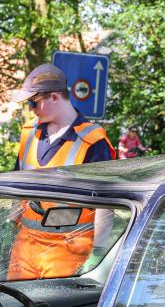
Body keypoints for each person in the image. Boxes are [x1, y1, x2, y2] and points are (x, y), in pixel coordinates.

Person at [8, 64, 115, 281]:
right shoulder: (28, 134)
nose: (31, 109)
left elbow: (105, 203)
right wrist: (10, 225)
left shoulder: (92, 142)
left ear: (54, 97)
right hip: (25, 247)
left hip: (68, 252)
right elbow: (18, 184)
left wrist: (99, 251)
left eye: (33, 102)